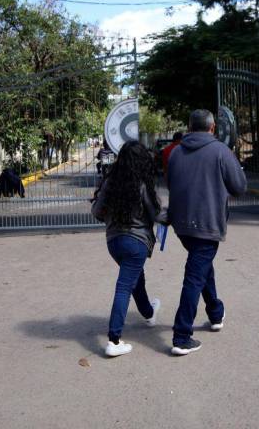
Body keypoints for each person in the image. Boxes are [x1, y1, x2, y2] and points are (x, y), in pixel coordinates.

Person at [166, 109, 247, 356]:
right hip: (207, 224)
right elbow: (240, 187)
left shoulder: (176, 152)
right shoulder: (221, 151)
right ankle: (181, 336)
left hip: (181, 225)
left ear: (190, 127)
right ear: (212, 128)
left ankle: (215, 311)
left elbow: (170, 184)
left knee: (201, 268)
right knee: (194, 275)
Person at [91, 140, 162, 357]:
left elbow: (96, 211)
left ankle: (149, 313)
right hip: (136, 242)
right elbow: (156, 214)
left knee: (134, 279)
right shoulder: (142, 184)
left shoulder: (109, 182)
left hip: (114, 242)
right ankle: (114, 340)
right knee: (124, 286)